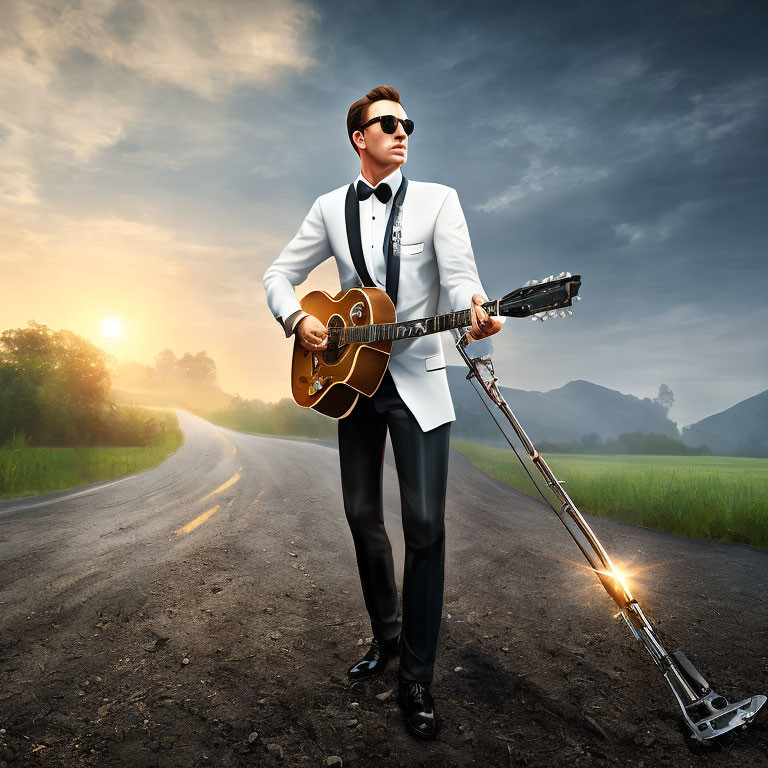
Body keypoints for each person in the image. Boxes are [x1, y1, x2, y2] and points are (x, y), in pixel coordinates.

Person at [262, 85, 503, 741]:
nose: (402, 132)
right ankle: (388, 637)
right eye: (387, 124)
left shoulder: (439, 201)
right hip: (352, 384)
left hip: (419, 380)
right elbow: (278, 276)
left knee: (425, 529)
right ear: (358, 138)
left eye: (407, 125)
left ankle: (417, 681)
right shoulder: (327, 209)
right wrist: (299, 320)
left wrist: (476, 306)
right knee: (362, 516)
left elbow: (461, 279)